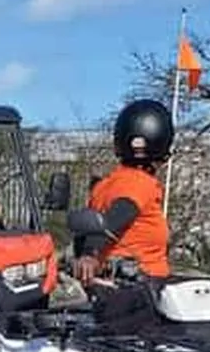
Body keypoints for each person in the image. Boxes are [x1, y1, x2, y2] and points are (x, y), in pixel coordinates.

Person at [74, 98, 174, 289]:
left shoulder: (103, 186)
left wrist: (86, 253)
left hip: (108, 285)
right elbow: (118, 215)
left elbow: (88, 227)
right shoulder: (140, 182)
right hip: (145, 290)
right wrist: (91, 253)